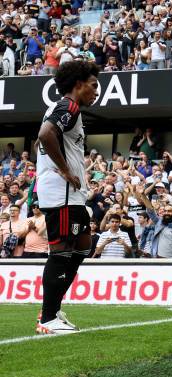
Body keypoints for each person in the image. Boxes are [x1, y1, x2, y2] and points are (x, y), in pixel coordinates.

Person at [34, 60, 99, 335]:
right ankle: (48, 318)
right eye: (93, 85)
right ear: (78, 85)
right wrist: (64, 170)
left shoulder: (68, 111)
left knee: (83, 248)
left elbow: (42, 140)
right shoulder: (68, 106)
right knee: (61, 254)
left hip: (73, 196)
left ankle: (53, 308)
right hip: (62, 195)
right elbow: (45, 135)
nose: (97, 91)